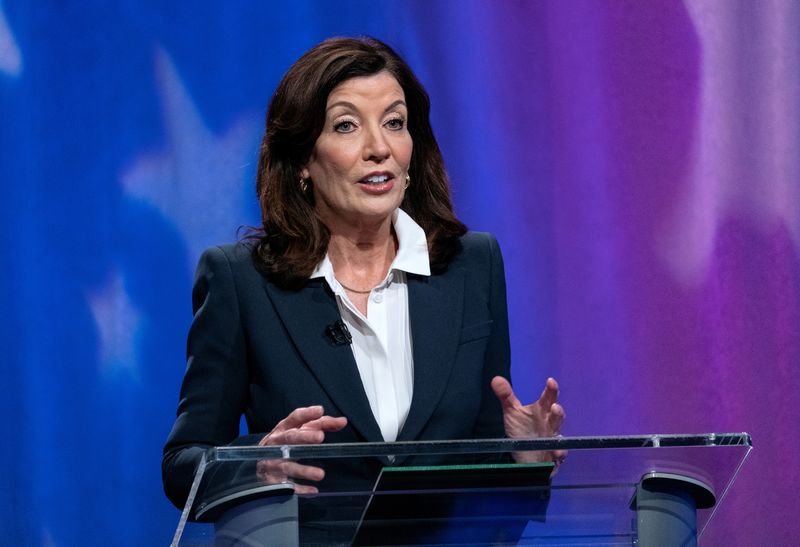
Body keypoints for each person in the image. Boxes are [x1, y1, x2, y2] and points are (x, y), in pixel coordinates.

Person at [162, 36, 564, 522]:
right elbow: (182, 466)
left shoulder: (471, 266)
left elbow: (477, 458)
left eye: (395, 123)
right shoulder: (241, 281)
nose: (379, 148)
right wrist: (255, 464)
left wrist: (523, 461)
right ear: (303, 162)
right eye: (347, 126)